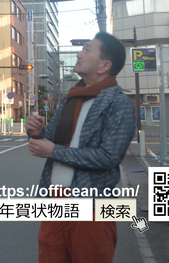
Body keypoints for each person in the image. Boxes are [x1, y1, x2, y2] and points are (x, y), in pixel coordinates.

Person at [26, 32, 136, 263]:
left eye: (87, 49)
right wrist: (36, 132)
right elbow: (50, 139)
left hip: (92, 206)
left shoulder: (119, 103)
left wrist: (54, 151)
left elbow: (108, 157)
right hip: (55, 200)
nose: (79, 54)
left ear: (104, 66)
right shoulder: (72, 98)